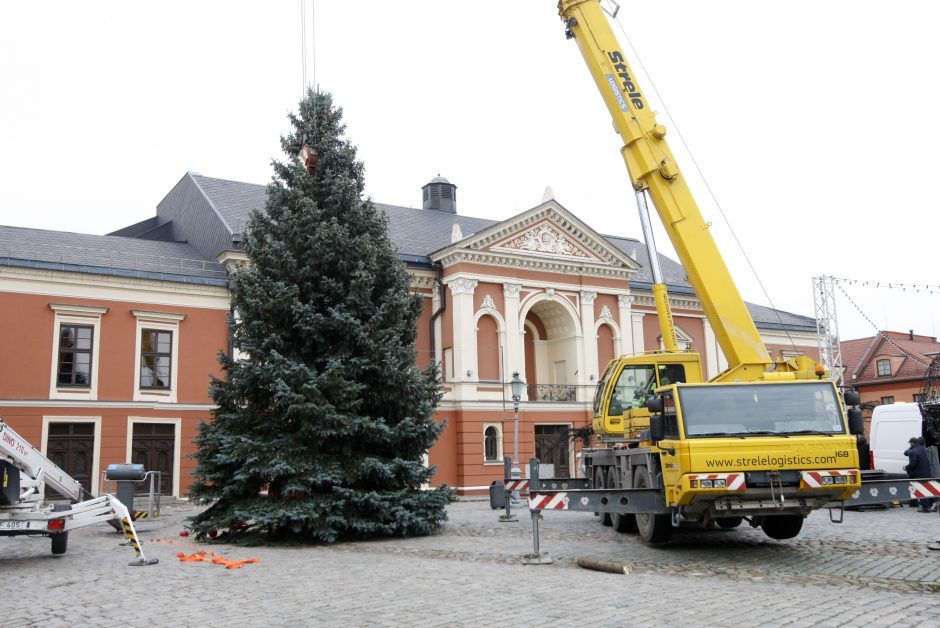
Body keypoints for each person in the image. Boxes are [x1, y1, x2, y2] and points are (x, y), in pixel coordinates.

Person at [903, 436, 936, 512]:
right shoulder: (922, 448)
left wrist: (906, 468)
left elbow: (913, 464)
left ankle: (926, 507)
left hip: (918, 474)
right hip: (927, 472)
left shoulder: (912, 451)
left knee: (920, 490)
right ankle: (931, 504)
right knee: (928, 489)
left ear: (911, 443)